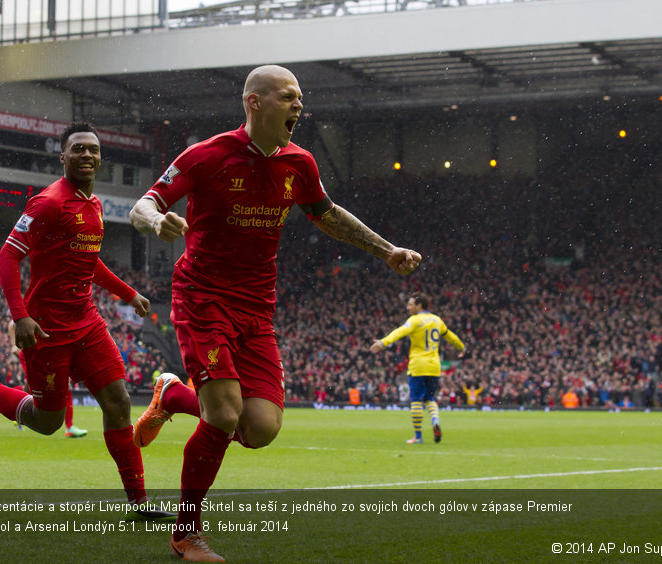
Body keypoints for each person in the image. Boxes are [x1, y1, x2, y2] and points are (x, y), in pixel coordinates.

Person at [129, 65, 422, 562]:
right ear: (254, 102)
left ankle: (172, 394)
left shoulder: (299, 162)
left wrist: (386, 249)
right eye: (289, 97)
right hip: (203, 297)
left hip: (257, 307)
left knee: (259, 429)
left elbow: (325, 213)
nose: (299, 106)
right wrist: (157, 221)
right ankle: (186, 534)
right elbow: (144, 203)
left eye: (301, 98)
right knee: (223, 413)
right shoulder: (206, 156)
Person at [0, 122, 169, 518]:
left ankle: (139, 505)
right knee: (47, 422)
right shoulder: (47, 203)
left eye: (93, 150)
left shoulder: (93, 205)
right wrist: (21, 317)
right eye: (77, 149)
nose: (86, 155)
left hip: (88, 322)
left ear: (100, 158)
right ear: (62, 157)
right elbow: (7, 258)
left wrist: (128, 293)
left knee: (118, 402)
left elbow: (88, 261)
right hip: (46, 328)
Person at [370, 292, 464, 445]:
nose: (408, 307)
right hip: (434, 366)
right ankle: (435, 421)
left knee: (415, 400)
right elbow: (450, 336)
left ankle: (418, 436)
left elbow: (399, 332)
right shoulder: (437, 320)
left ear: (419, 305)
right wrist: (462, 347)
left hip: (418, 365)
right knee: (430, 398)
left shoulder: (415, 320)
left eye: (410, 304)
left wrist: (383, 342)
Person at [8, 319, 87, 437]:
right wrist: (17, 347)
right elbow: (13, 335)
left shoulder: (40, 310)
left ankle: (69, 427)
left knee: (62, 385)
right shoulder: (20, 317)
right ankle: (7, 400)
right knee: (32, 385)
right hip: (30, 353)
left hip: (46, 351)